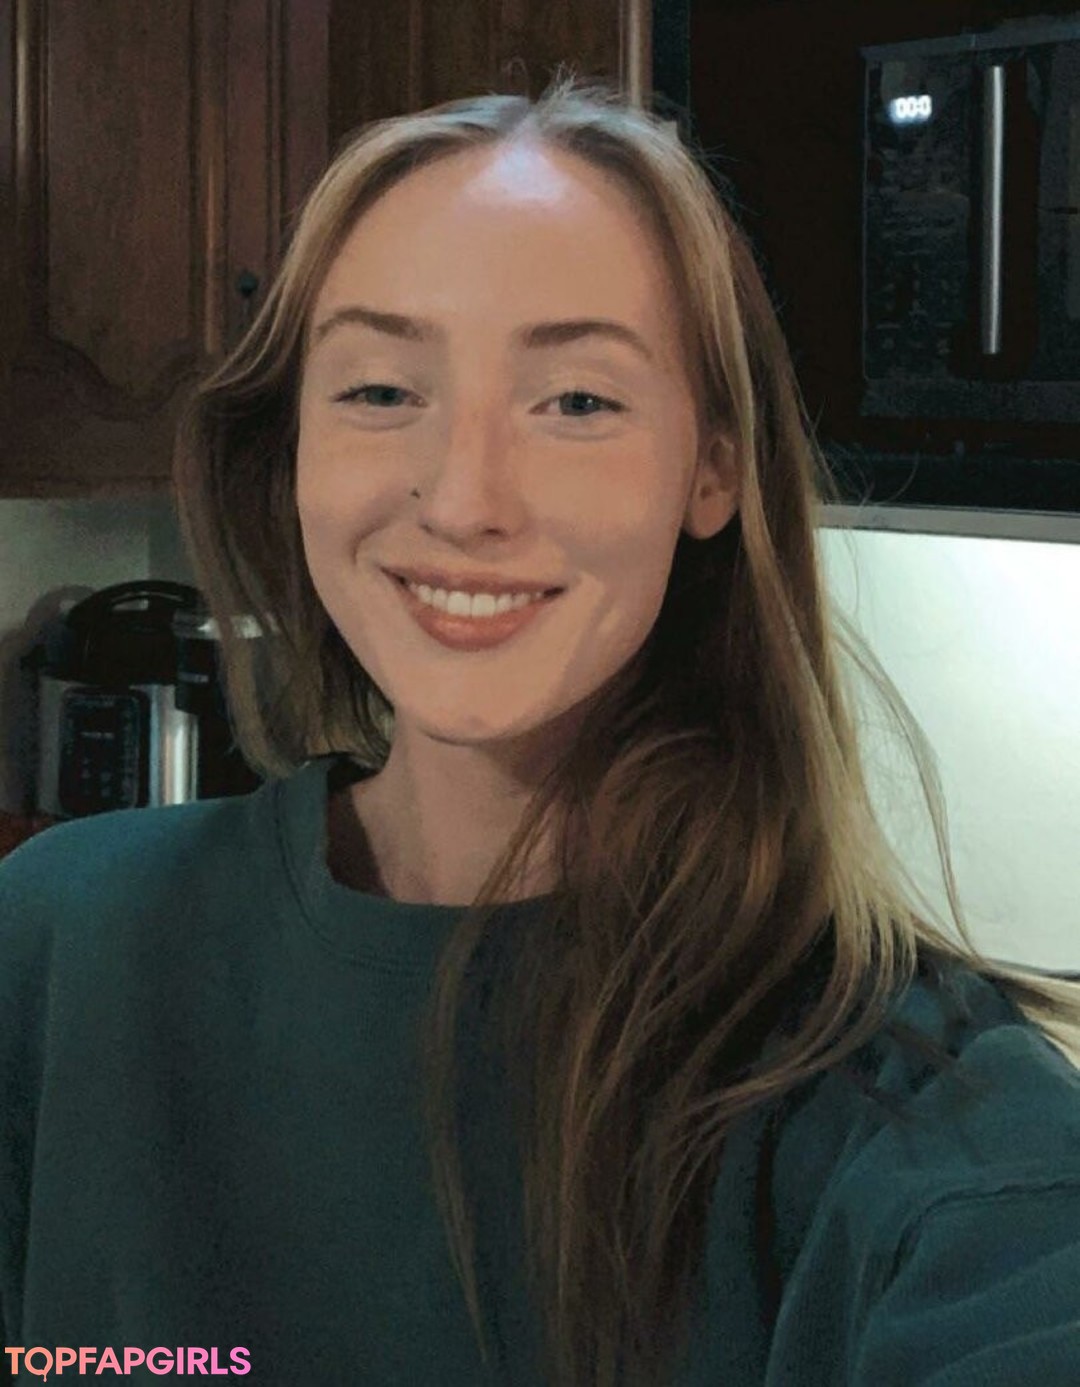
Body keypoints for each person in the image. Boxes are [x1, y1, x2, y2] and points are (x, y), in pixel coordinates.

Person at [2, 71, 1079, 1387]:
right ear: (289, 450)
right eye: (380, 391)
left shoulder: (906, 1111)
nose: (465, 500)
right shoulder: (60, 944)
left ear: (713, 466)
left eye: (576, 402)